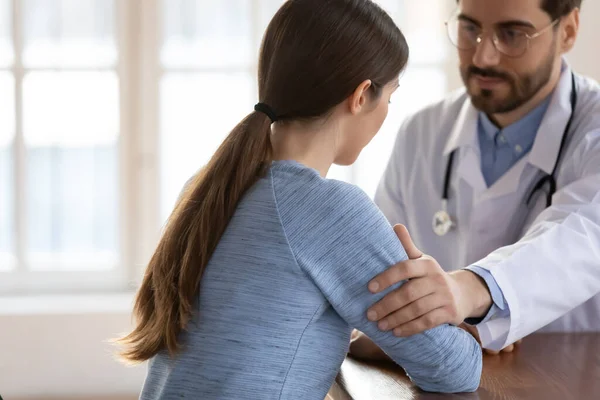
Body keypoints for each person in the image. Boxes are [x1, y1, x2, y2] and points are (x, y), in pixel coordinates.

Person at [117, 1, 482, 399]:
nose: (387, 113)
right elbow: (454, 370)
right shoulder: (329, 210)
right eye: (390, 97)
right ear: (361, 96)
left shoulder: (206, 188)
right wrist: (447, 312)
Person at [351, 0, 600, 357]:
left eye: (511, 34)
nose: (483, 57)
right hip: (436, 380)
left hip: (568, 377)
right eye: (470, 30)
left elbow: (582, 235)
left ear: (569, 30)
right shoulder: (422, 132)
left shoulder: (593, 131)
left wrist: (469, 292)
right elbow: (377, 274)